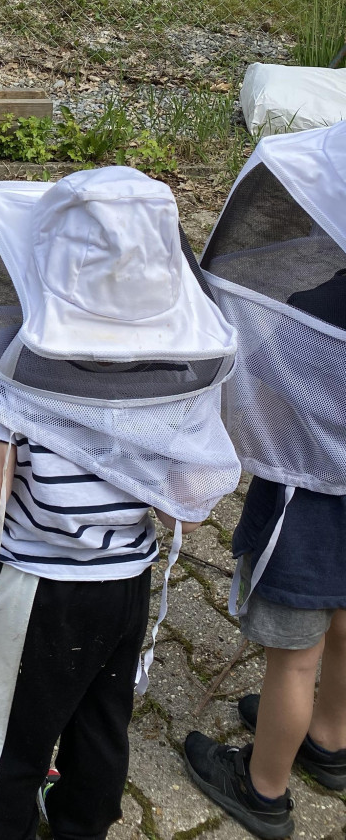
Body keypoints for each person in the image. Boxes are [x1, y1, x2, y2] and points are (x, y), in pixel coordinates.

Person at [0, 168, 241, 840]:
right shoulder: (176, 377)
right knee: (102, 721)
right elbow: (185, 507)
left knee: (13, 727)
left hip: (41, 588)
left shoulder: (12, 372)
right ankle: (82, 822)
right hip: (126, 584)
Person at [183, 267, 346, 839]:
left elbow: (262, 400)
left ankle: (263, 788)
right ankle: (329, 741)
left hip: (308, 518)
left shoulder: (314, 308)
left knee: (296, 663)